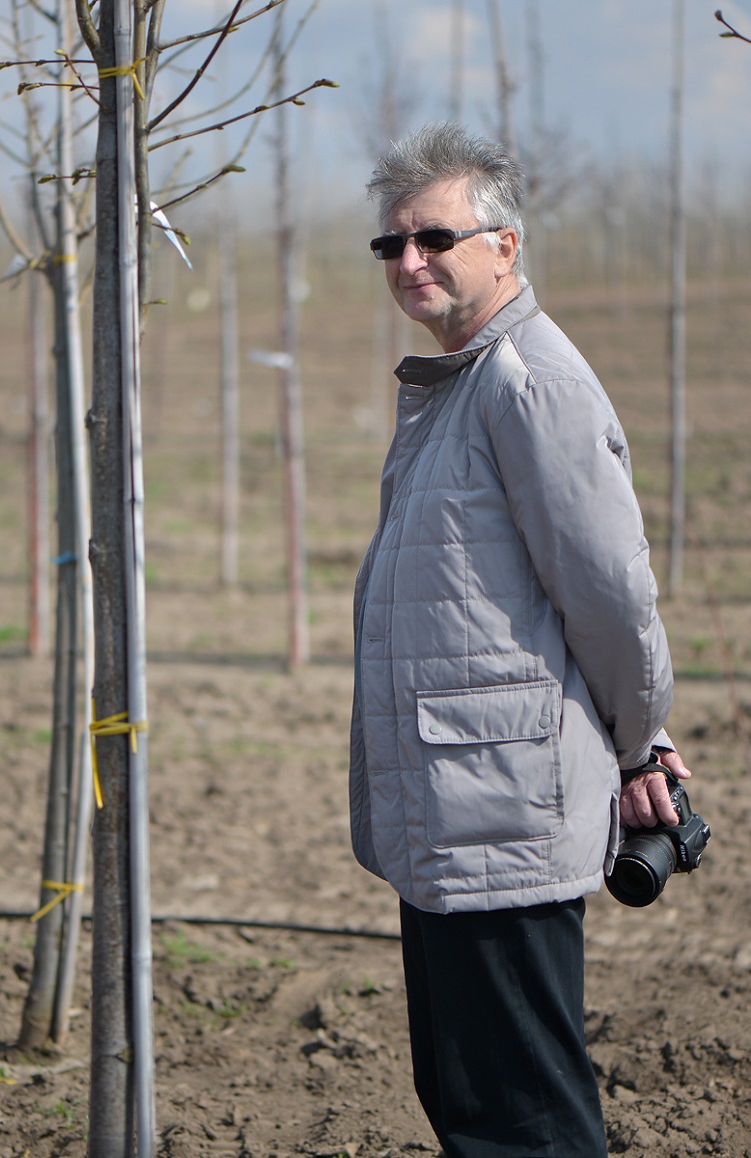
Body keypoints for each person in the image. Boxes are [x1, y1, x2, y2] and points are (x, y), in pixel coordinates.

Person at [349, 123, 690, 1158]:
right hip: (458, 811)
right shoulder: (467, 383)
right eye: (391, 244)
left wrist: (641, 746)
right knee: (473, 1101)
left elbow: (608, 595)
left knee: (521, 1119)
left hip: (499, 806)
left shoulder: (527, 385)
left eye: (435, 238)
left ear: (503, 246)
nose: (409, 261)